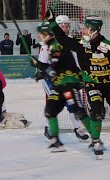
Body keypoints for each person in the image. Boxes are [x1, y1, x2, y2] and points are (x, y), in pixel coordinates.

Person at [46, 9, 110, 158]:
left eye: (85, 28)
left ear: (93, 30)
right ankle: (96, 141)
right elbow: (63, 39)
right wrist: (52, 22)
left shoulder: (109, 46)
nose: (82, 30)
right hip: (92, 85)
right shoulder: (82, 44)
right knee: (96, 113)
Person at [35, 24, 93, 152]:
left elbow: (55, 66)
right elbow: (47, 64)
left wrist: (44, 72)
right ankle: (55, 141)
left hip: (68, 82)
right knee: (50, 110)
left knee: (77, 110)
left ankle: (95, 138)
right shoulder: (47, 46)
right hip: (57, 84)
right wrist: (38, 65)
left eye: (40, 34)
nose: (39, 36)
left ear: (45, 34)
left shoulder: (57, 45)